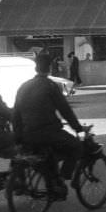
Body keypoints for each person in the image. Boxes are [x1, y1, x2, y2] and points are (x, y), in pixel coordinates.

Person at [13, 53, 84, 198]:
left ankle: (51, 179)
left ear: (36, 67)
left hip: (27, 135)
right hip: (48, 133)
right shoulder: (51, 86)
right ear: (50, 68)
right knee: (76, 146)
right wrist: (78, 128)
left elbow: (16, 114)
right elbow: (65, 110)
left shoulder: (23, 86)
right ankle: (61, 180)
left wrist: (18, 137)